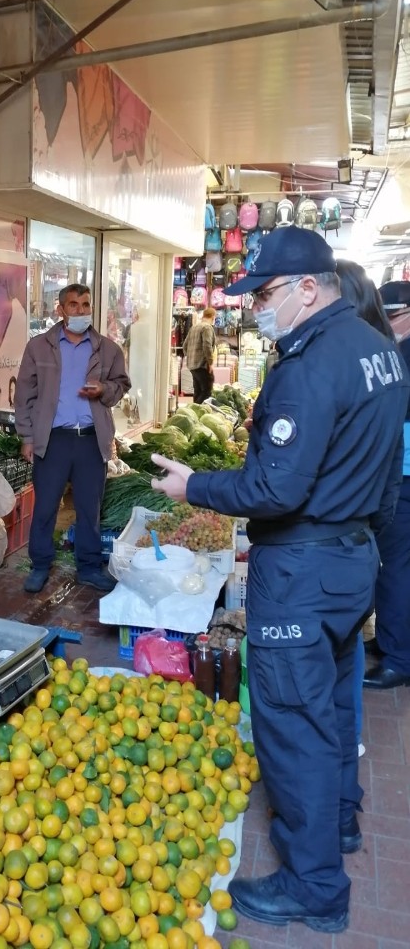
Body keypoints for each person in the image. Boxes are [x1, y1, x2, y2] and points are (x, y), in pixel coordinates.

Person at [151, 227, 408, 934]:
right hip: (352, 559)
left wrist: (193, 484)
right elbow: (386, 477)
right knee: (327, 706)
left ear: (307, 288)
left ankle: (315, 887)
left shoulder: (309, 366)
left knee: (290, 724)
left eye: (263, 294)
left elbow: (275, 487)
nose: (255, 308)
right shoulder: (381, 353)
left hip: (300, 568)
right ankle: (339, 824)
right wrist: (356, 543)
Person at [14, 284, 130, 594]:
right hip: (53, 440)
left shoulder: (108, 349)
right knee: (46, 506)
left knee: (89, 508)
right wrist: (27, 436)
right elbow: (24, 394)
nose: (80, 310)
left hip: (92, 440)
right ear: (61, 309)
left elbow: (121, 386)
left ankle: (89, 568)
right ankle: (40, 565)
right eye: (74, 304)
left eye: (85, 304)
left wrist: (104, 390)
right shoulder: (38, 347)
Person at [334, 259, 396, 744]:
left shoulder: (340, 361)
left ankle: (336, 747)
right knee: (347, 642)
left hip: (335, 535)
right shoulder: (389, 357)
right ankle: (347, 737)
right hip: (364, 527)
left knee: (329, 652)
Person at [363, 279, 410, 689]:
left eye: (395, 316)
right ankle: (391, 640)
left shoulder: (402, 355)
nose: (388, 323)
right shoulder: (394, 351)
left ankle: (400, 659)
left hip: (405, 476)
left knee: (396, 565)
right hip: (399, 471)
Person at [182, 305, 216, 403]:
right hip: (202, 365)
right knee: (206, 391)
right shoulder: (207, 328)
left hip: (192, 366)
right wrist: (210, 363)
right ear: (213, 317)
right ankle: (198, 410)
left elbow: (185, 346)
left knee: (197, 391)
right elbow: (207, 345)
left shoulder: (194, 327)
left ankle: (194, 413)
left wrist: (190, 357)